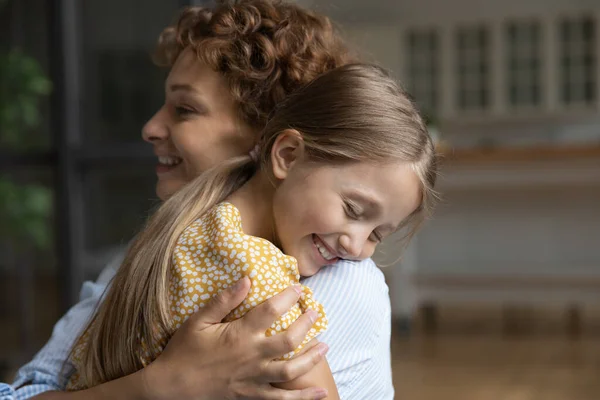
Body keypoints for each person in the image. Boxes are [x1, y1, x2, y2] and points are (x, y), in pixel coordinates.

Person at [0, 1, 413, 399]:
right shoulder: (148, 250)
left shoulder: (334, 283)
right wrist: (156, 387)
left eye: (185, 109)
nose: (149, 128)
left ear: (271, 140)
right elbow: (26, 389)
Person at [64, 63, 437, 400]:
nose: (355, 245)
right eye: (353, 210)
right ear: (288, 155)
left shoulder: (192, 217)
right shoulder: (258, 280)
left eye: (377, 236)